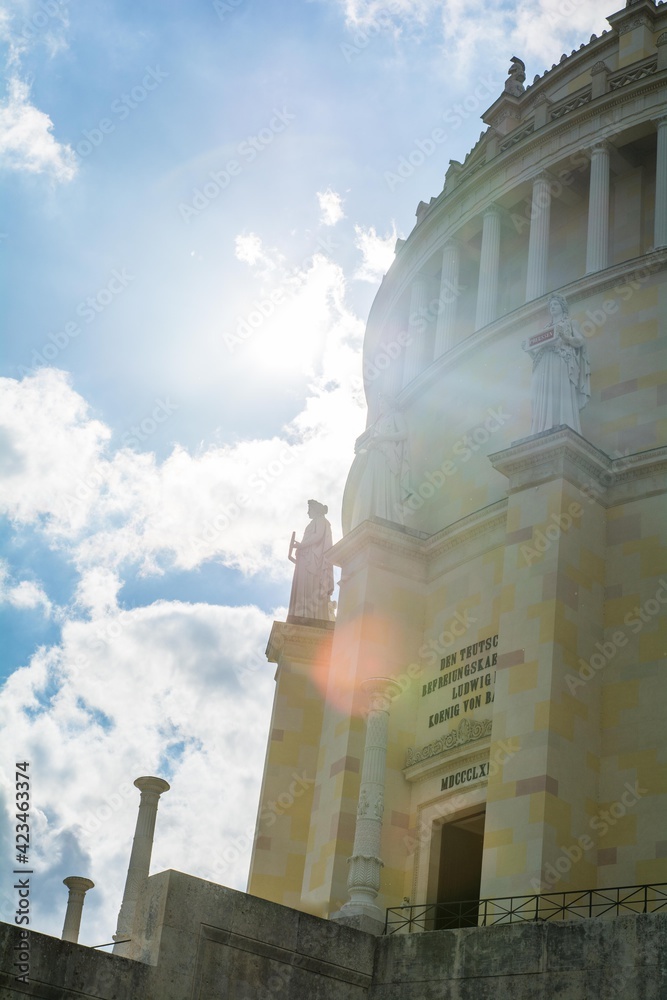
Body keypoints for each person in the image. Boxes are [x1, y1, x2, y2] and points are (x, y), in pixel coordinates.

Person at [522, 293, 591, 435]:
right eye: (550, 305)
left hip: (560, 361)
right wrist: (528, 350)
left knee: (559, 390)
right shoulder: (545, 330)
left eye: (555, 304)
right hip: (543, 365)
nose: (552, 307)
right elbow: (536, 356)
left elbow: (580, 341)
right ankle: (543, 428)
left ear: (562, 307)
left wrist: (565, 337)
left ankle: (562, 423)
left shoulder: (570, 323)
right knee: (544, 394)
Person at [350, 393, 411, 527]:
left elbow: (404, 433)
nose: (381, 406)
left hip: (387, 457)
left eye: (383, 403)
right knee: (371, 485)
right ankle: (372, 515)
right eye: (379, 404)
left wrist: (383, 438)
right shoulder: (377, 423)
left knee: (385, 483)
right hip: (374, 456)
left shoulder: (396, 416)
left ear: (390, 403)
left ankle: (387, 516)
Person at [287, 499, 334, 621]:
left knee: (310, 584)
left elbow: (318, 536)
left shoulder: (321, 520)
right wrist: (300, 546)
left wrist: (301, 545)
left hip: (313, 561)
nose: (307, 512)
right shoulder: (315, 521)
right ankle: (301, 614)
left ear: (315, 510)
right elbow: (311, 539)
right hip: (305, 559)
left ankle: (310, 616)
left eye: (309, 509)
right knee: (303, 585)